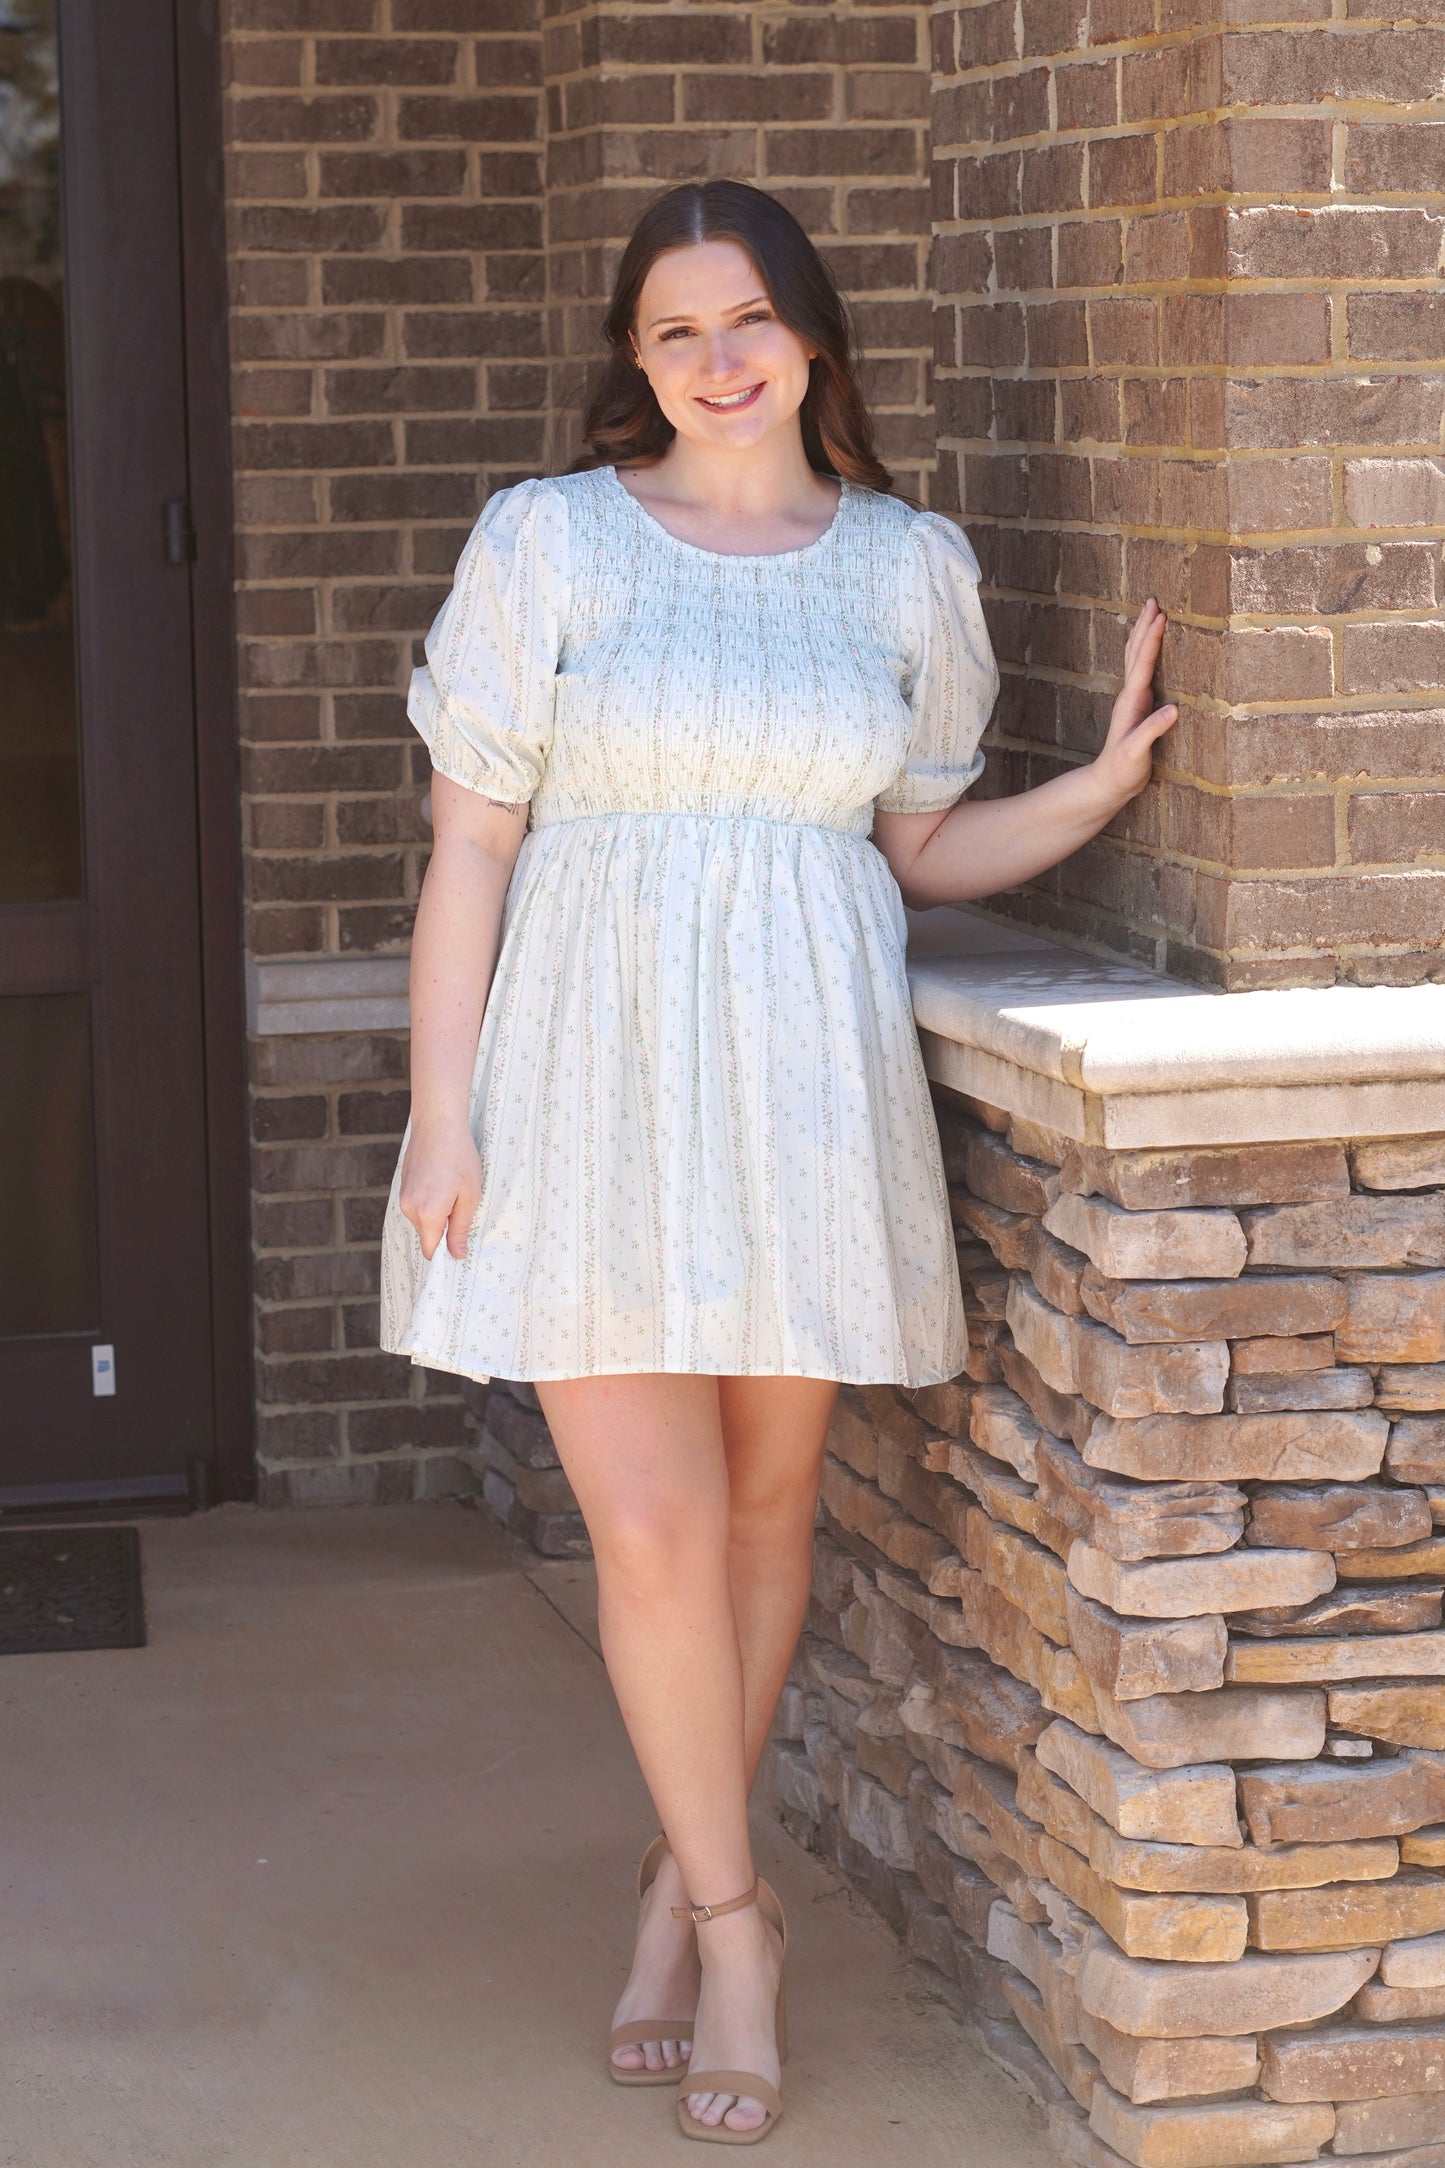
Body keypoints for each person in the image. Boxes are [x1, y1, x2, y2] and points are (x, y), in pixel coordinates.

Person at [379, 179, 1176, 2145]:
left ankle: (675, 1876)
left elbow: (915, 851)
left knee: (760, 1506)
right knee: (644, 1521)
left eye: (748, 319)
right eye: (675, 330)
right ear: (633, 359)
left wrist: (1086, 795)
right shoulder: (548, 539)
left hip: (804, 1082)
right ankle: (740, 1920)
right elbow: (472, 843)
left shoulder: (904, 564)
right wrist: (443, 1104)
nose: (717, 358)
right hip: (582, 1070)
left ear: (810, 335)